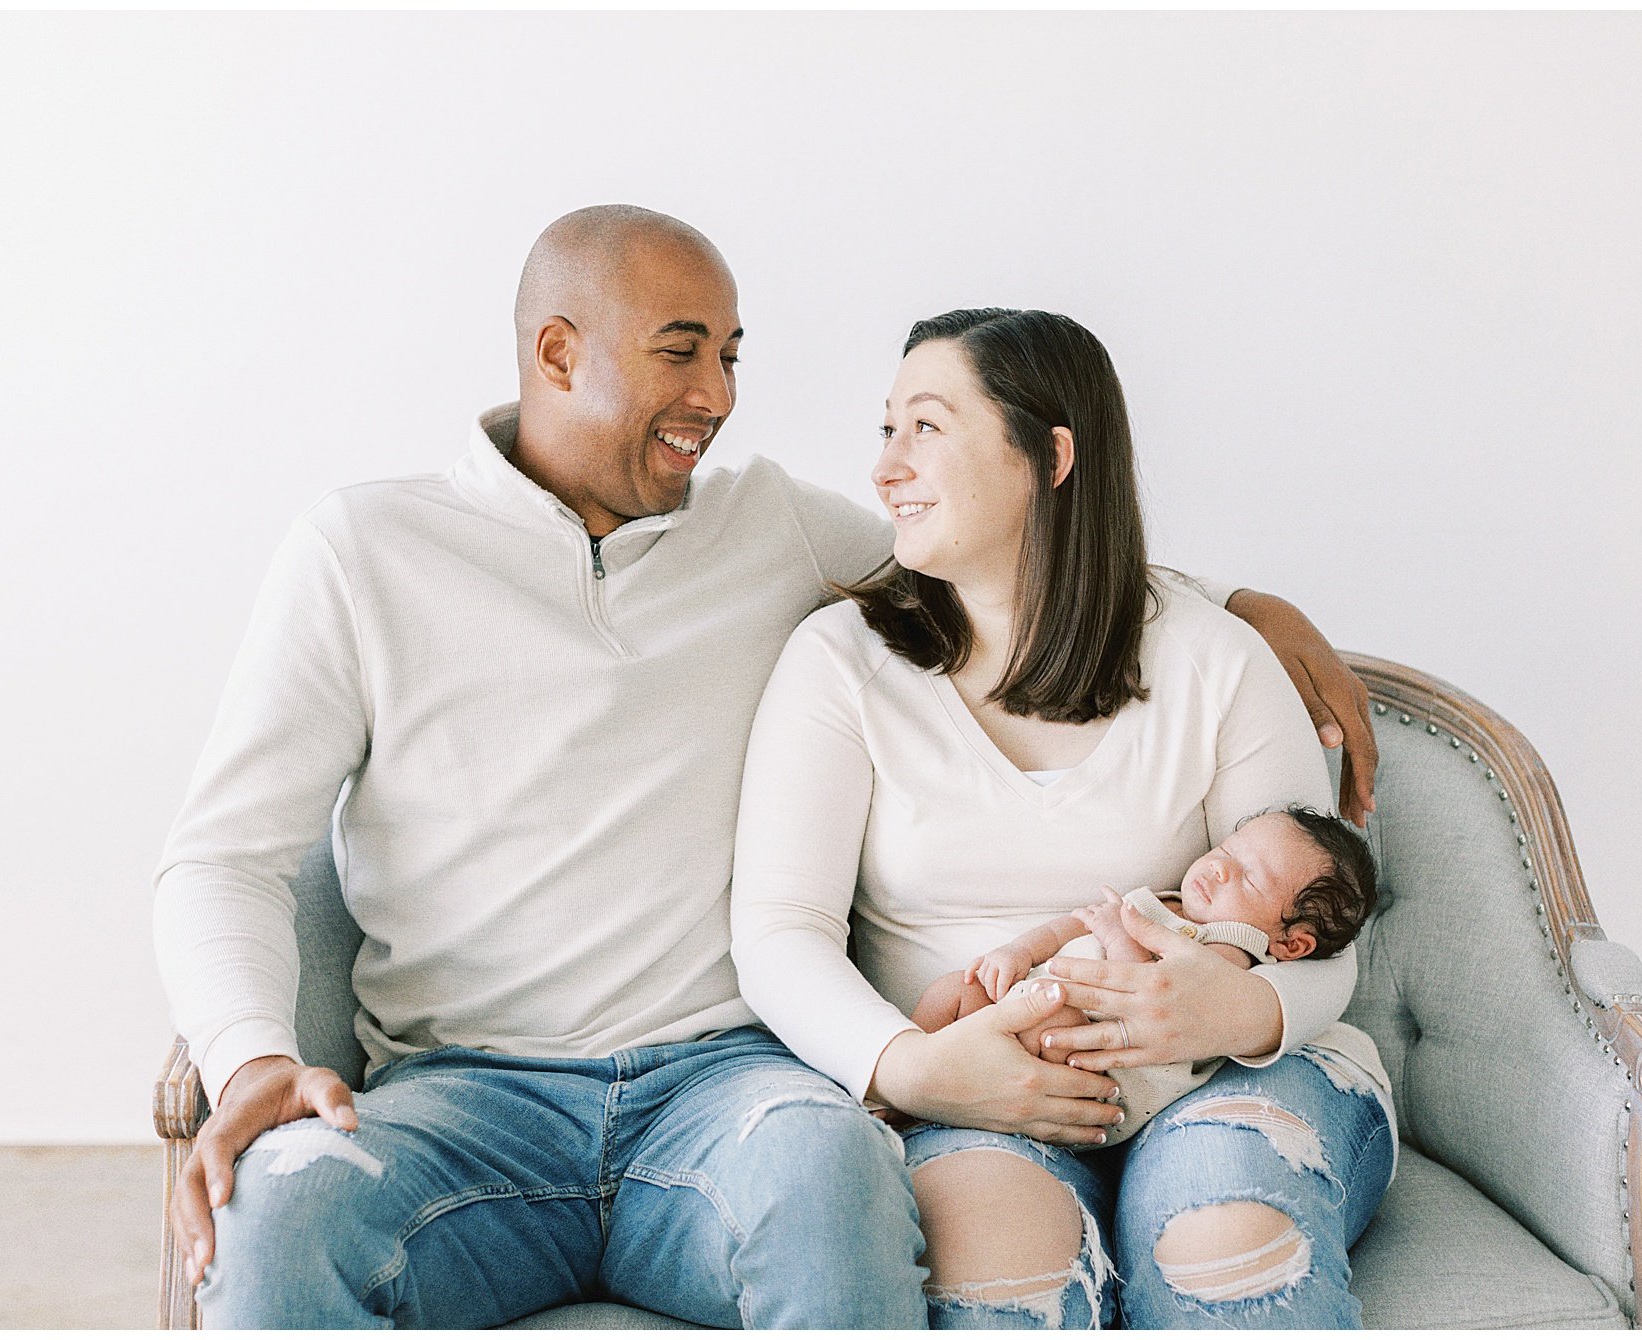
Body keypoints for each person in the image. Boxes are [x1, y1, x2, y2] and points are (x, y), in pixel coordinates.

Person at [153, 206, 1379, 1328]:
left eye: (731, 355)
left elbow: (1021, 561)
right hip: (460, 1090)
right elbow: (224, 853)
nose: (717, 396)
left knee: (831, 1162)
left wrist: (1243, 604)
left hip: (727, 1087)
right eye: (680, 351)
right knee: (273, 1224)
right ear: (558, 353)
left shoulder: (765, 525)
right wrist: (250, 1052)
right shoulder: (362, 551)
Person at [731, 307, 1397, 1327]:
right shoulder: (839, 664)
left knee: (1215, 1233)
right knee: (1003, 1267)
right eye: (883, 430)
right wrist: (915, 1066)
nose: (884, 470)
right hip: (972, 1092)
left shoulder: (1214, 657)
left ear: (1050, 454)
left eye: (926, 426)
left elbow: (1320, 924)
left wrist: (1236, 1011)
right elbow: (780, 930)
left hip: (1226, 1072)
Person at [909, 805, 1379, 1144]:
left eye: (1249, 877)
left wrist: (1120, 937)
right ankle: (905, 1097)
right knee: (952, 991)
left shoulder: (1232, 955)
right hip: (1038, 1000)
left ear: (1291, 943)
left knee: (1046, 1028)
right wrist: (1017, 950)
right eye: (1226, 851)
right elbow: (1076, 921)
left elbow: (1154, 1004)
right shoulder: (1164, 902)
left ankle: (961, 1097)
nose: (1218, 868)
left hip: (1099, 1068)